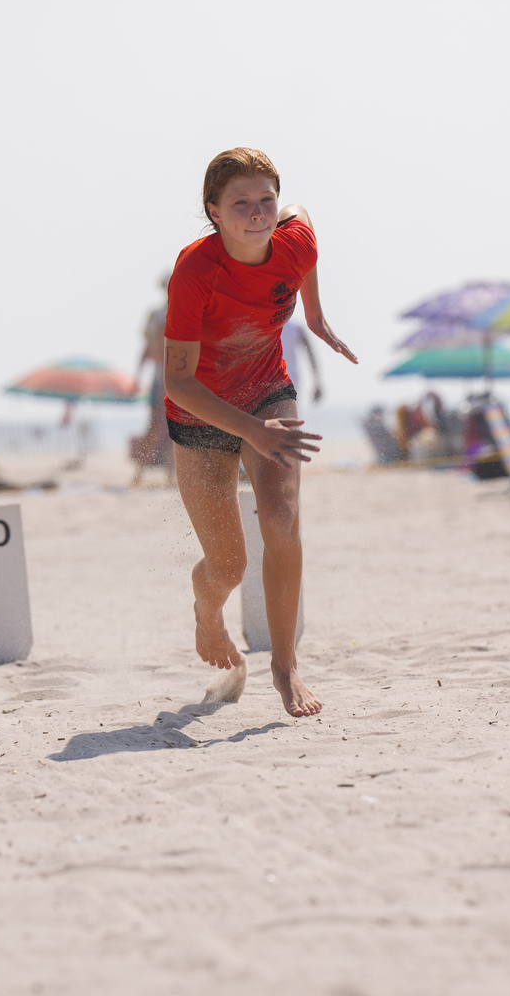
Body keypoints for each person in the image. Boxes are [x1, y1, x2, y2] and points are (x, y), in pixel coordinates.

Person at [162, 148, 356, 718]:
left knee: (280, 520)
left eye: (265, 199)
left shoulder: (294, 243)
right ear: (213, 211)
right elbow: (177, 383)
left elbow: (306, 219)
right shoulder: (196, 271)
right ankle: (207, 612)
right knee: (227, 566)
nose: (257, 213)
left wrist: (314, 313)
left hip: (269, 390)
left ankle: (285, 665)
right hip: (200, 414)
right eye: (240, 203)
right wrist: (252, 432)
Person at [131, 275, 174, 485]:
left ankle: (171, 475)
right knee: (156, 425)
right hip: (162, 376)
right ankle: (139, 473)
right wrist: (138, 375)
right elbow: (149, 348)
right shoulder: (157, 314)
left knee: (176, 425)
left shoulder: (188, 309)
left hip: (181, 376)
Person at [280, 320, 323, 403]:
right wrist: (317, 381)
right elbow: (310, 353)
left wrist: (317, 382)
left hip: (273, 377)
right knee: (290, 413)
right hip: (292, 378)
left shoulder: (268, 320)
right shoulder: (297, 323)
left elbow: (310, 353)